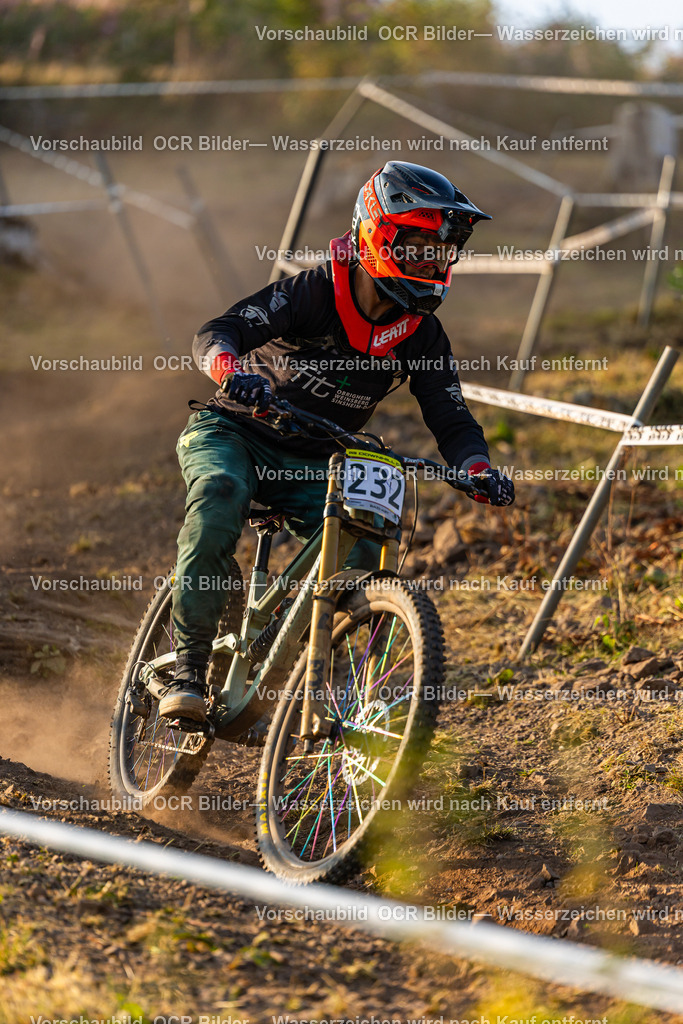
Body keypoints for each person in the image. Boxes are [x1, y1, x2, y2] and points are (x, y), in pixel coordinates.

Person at [159, 160, 515, 723]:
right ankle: (188, 667)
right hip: (236, 431)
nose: (430, 260)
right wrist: (231, 371)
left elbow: (451, 417)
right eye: (417, 246)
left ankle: (305, 670)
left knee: (366, 547)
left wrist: (476, 467)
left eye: (438, 251)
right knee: (221, 492)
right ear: (376, 235)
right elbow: (217, 332)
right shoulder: (316, 290)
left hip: (317, 458)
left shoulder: (422, 332)